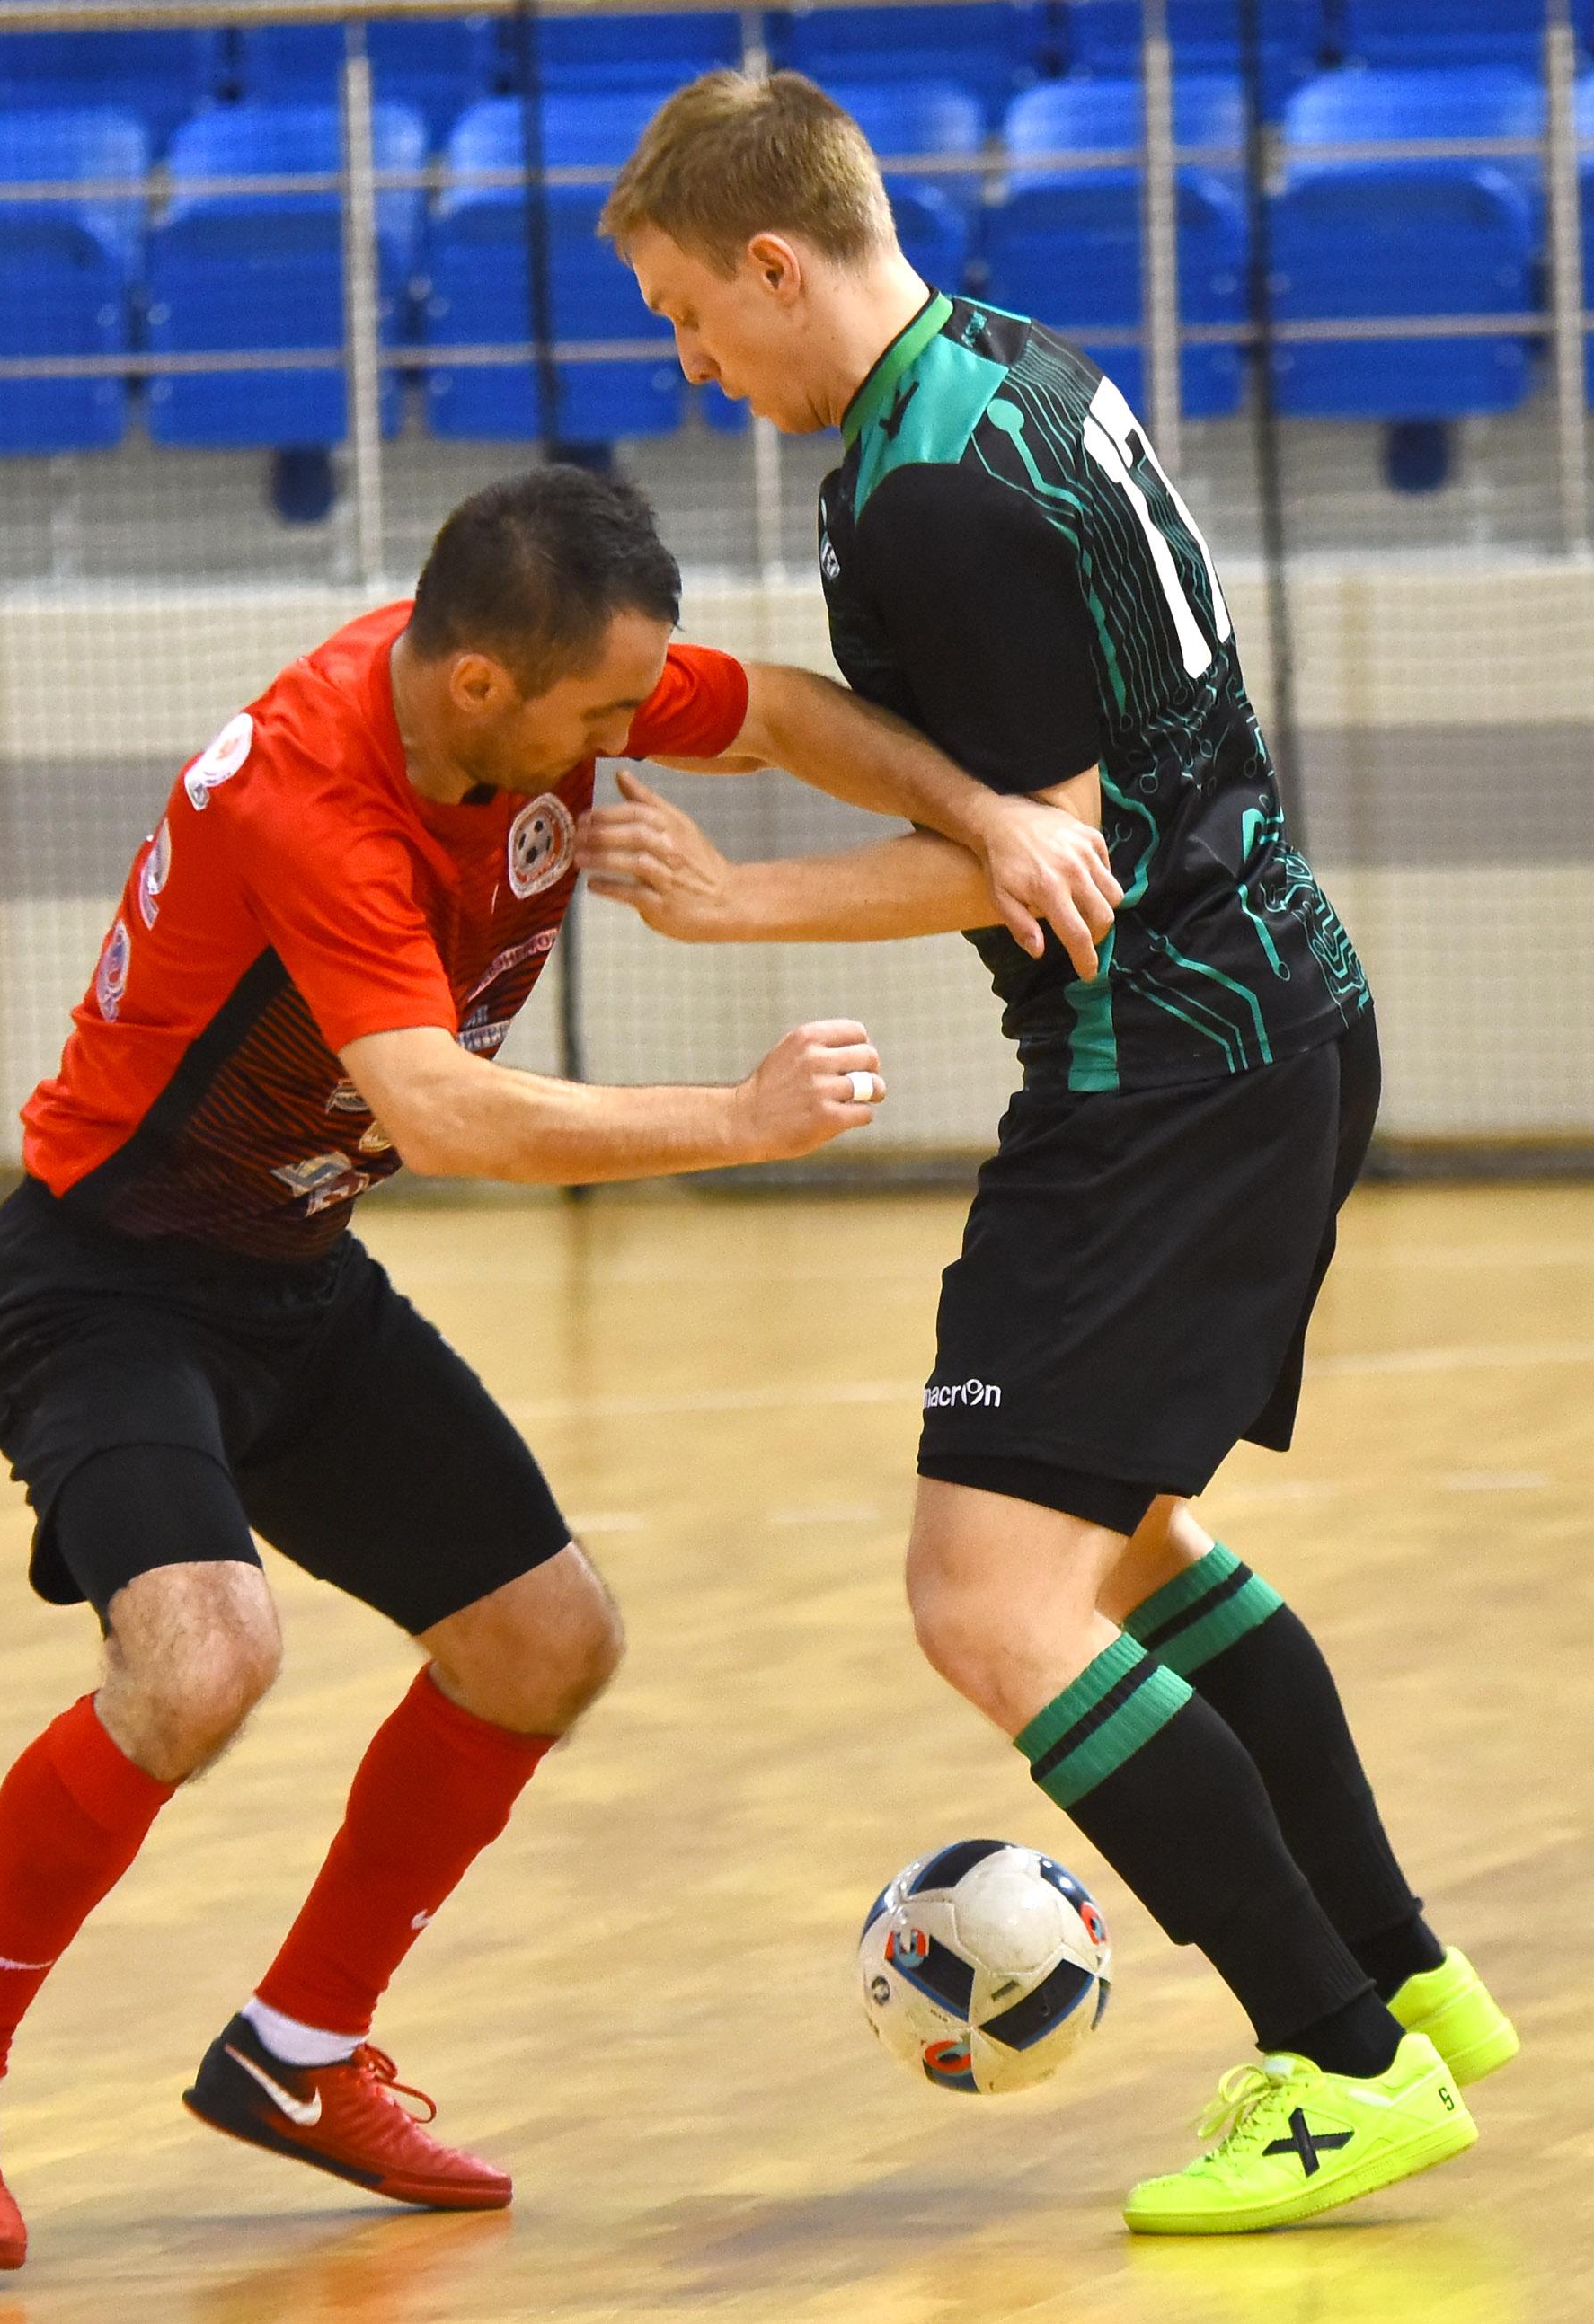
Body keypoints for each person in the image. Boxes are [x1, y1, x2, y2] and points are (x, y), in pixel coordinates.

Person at [0, 464, 1112, 2275]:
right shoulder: (314, 796)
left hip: (292, 1273)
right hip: (108, 1289)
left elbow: (774, 712)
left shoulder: (537, 682)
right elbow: (439, 1112)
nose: (626, 742)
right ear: (480, 688)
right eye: (600, 718)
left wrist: (989, 818)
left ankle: (297, 2053)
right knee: (200, 1662)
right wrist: (739, 1118)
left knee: (543, 1642)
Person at [591, 72, 1518, 2236]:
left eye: (687, 314)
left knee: (984, 1601)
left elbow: (1046, 861)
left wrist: (729, 904)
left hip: (1162, 1073)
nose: (686, 362)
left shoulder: (928, 501)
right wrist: (739, 717)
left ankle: (1340, 2063)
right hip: (1261, 1022)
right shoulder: (995, 370)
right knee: (1132, 1546)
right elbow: (990, 777)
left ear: (772, 262)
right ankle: (1404, 1975)